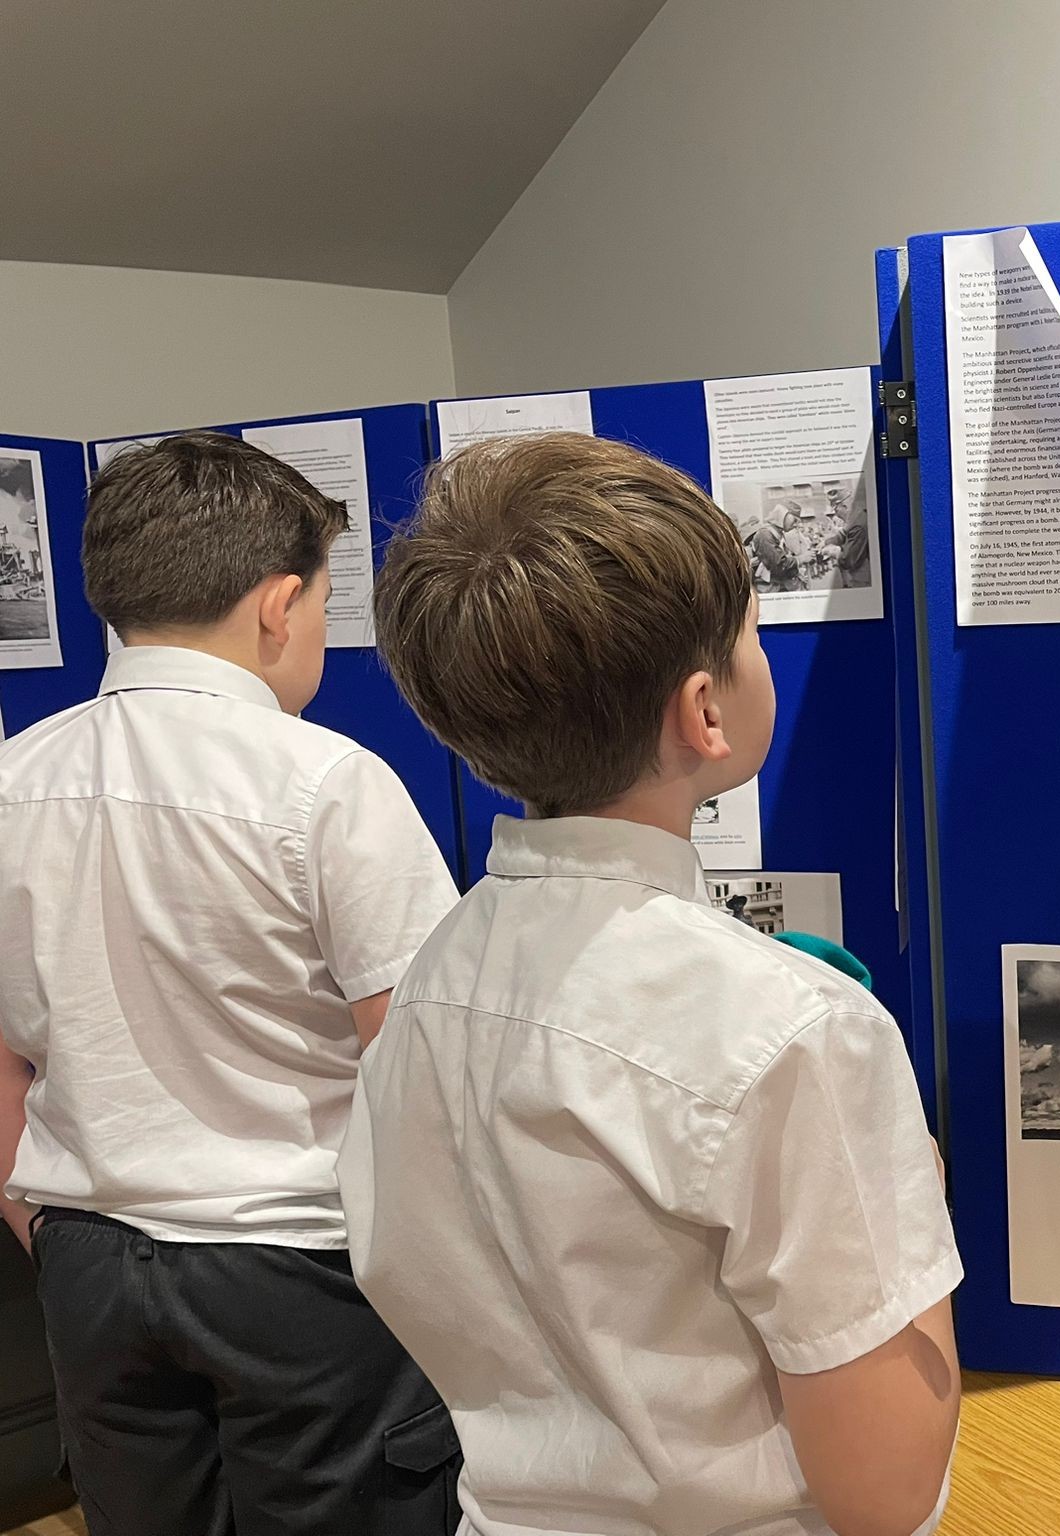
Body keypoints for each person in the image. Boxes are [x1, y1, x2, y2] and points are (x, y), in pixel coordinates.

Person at [342, 432, 962, 1536]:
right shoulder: (795, 1029)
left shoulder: (431, 980)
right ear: (703, 713)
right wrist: (912, 1191)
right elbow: (886, 1489)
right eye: (752, 638)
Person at [0, 432, 463, 1534]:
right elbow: (418, 1064)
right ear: (278, 605)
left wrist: (40, 1216)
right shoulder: (331, 783)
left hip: (87, 1261)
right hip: (300, 1265)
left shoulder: (11, 781)